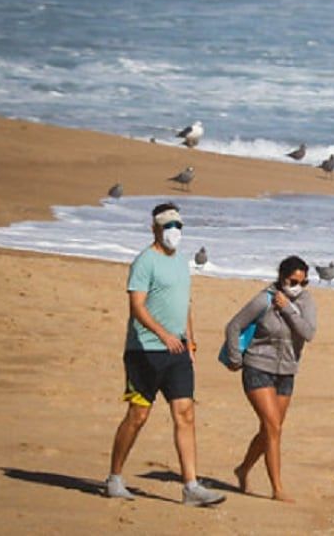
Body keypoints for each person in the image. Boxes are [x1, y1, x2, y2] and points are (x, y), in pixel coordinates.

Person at [104, 202, 225, 507]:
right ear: (154, 229)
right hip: (144, 351)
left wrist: (190, 342)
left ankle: (191, 486)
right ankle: (115, 477)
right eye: (167, 226)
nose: (173, 232)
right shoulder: (145, 262)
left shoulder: (182, 262)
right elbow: (137, 307)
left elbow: (184, 305)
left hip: (178, 352)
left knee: (185, 413)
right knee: (138, 416)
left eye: (178, 226)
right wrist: (163, 334)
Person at [224, 255, 318, 502]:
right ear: (281, 277)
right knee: (273, 427)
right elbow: (233, 326)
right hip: (257, 366)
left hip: (286, 371)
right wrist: (235, 359)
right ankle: (277, 488)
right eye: (292, 280)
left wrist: (287, 308)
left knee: (270, 429)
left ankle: (243, 469)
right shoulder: (263, 299)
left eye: (302, 282)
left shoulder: (306, 301)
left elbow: (308, 333)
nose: (297, 286)